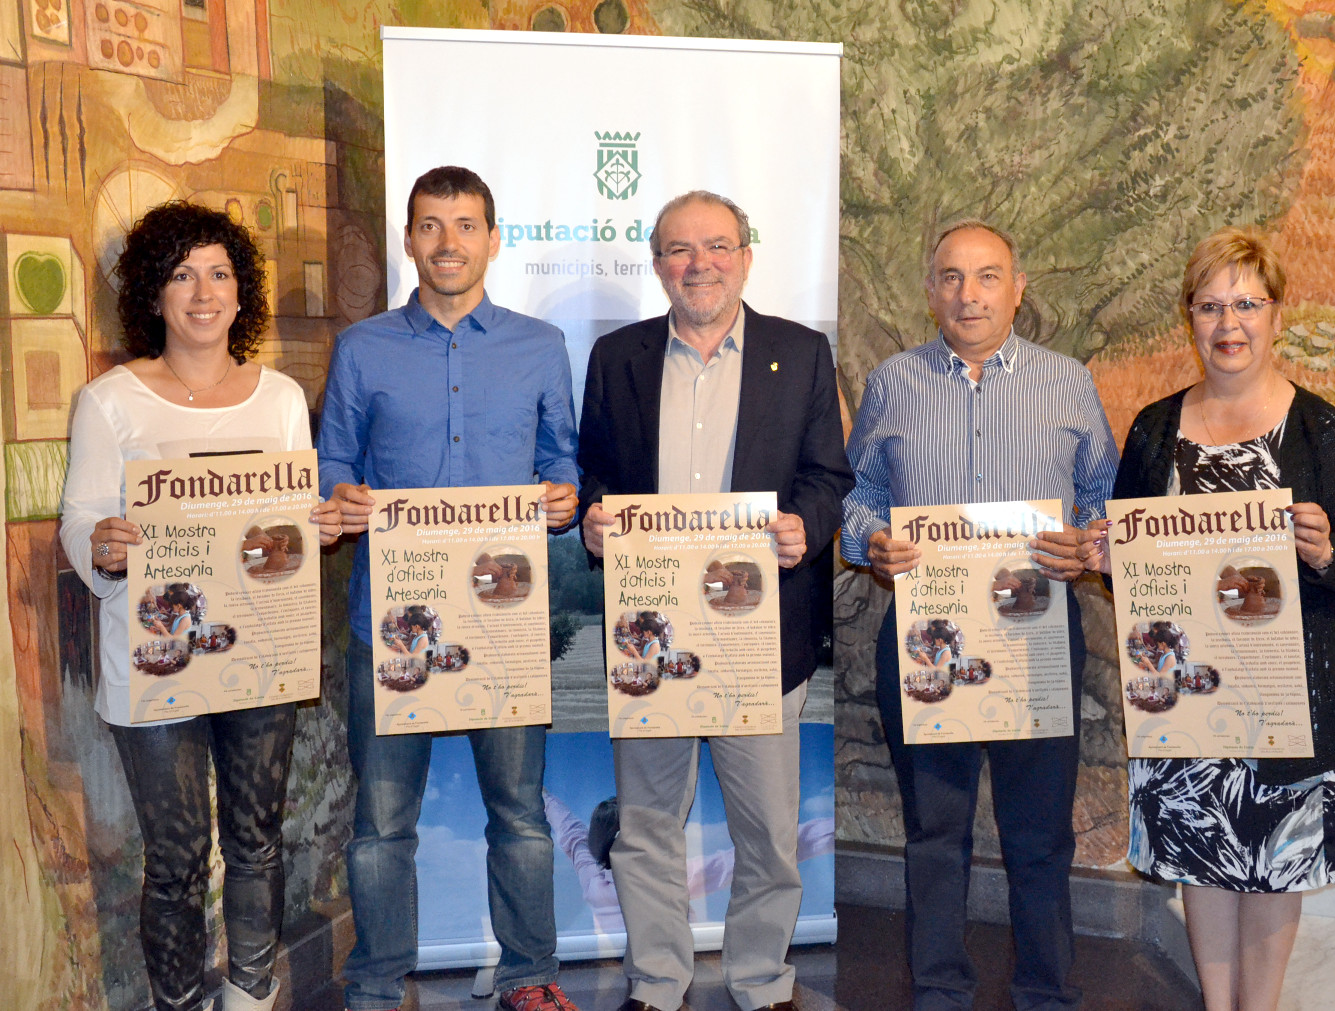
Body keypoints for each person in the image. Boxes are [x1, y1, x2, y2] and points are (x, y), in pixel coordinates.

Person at [1080, 227, 1335, 1011]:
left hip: (1286, 694)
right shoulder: (1155, 429)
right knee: (1202, 853)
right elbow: (1137, 566)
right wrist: (1109, 558)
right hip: (1184, 693)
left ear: (1276, 315)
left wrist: (1326, 554)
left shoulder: (1320, 429)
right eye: (1211, 305)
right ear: (1189, 317)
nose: (1229, 323)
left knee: (1275, 866)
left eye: (1247, 304)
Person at [58, 201, 341, 1011]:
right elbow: (81, 521)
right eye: (182, 274)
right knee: (177, 855)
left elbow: (289, 518)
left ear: (240, 291)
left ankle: (252, 994)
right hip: (156, 665)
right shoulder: (110, 401)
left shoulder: (279, 397)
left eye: (218, 272)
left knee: (256, 839)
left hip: (257, 651)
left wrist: (312, 527)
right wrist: (100, 543)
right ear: (154, 293)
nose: (203, 291)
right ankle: (179, 1001)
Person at [578, 190, 854, 1011]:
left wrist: (808, 523)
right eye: (679, 249)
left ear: (745, 254)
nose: (699, 263)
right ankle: (658, 984)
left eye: (717, 246)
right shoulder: (615, 357)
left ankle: (763, 982)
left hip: (760, 637)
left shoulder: (800, 353)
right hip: (649, 636)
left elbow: (828, 474)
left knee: (768, 833)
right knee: (647, 828)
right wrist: (594, 518)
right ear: (657, 261)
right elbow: (594, 467)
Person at [317, 166, 581, 1011]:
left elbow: (561, 459)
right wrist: (343, 500)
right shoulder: (363, 348)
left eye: (466, 226)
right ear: (409, 240)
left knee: (522, 816)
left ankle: (528, 977)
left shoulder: (541, 347)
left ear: (493, 240)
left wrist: (564, 494)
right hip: (389, 622)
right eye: (430, 226)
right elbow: (334, 466)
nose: (448, 244)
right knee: (382, 824)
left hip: (502, 623)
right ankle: (378, 984)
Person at [841, 220, 1117, 1011]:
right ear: (929, 291)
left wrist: (1089, 543)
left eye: (988, 276)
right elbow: (859, 496)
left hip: (1037, 638)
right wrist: (872, 542)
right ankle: (938, 990)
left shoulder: (1068, 383)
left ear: (1017, 288)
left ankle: (1045, 992)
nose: (970, 294)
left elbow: (1102, 497)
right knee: (935, 833)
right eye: (952, 277)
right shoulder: (892, 382)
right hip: (928, 638)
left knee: (1039, 836)